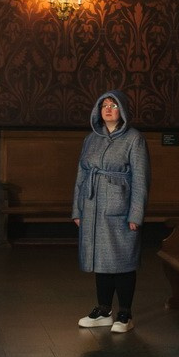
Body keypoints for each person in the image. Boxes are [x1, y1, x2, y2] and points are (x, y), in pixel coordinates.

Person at [73, 90, 149, 335]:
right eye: (103, 105)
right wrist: (78, 208)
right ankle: (104, 310)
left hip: (120, 207)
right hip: (93, 207)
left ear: (122, 110)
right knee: (100, 260)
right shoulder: (90, 139)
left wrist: (136, 214)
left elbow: (140, 179)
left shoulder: (134, 139)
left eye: (113, 105)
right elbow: (81, 176)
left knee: (123, 261)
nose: (107, 109)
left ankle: (125, 313)